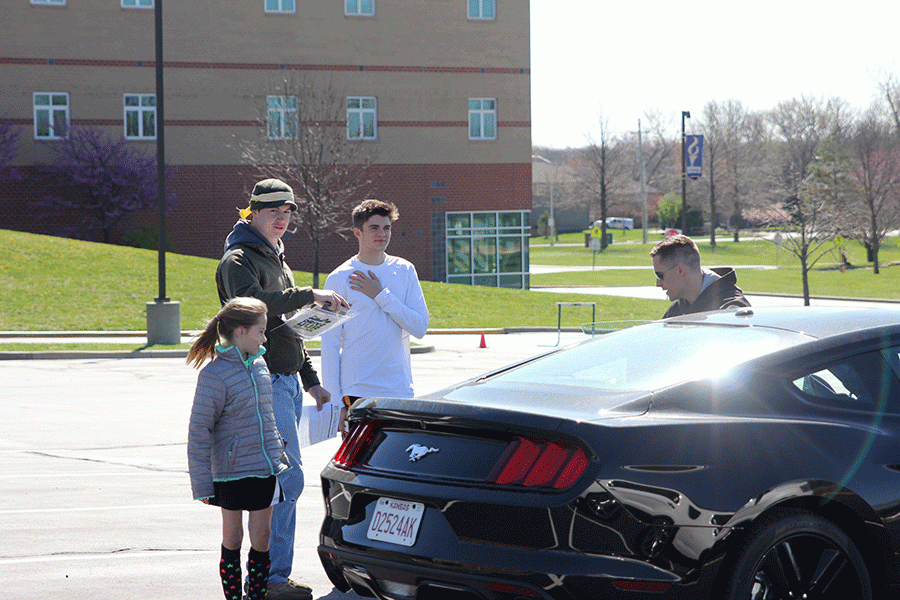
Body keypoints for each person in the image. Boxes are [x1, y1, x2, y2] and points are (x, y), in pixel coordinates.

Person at [216, 178, 348, 600]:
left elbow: (289, 329)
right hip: (263, 382)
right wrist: (310, 293)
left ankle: (271, 578)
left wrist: (310, 381)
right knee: (284, 480)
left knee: (280, 480)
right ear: (251, 212)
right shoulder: (238, 259)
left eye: (288, 212)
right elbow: (254, 304)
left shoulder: (277, 257)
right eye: (274, 211)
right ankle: (271, 580)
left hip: (287, 383)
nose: (282, 219)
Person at [187, 297, 290, 600]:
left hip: (264, 468)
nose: (264, 337)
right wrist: (202, 484)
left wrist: (277, 454)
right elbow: (198, 431)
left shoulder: (260, 365)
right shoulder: (213, 376)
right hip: (230, 473)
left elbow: (266, 417)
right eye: (260, 330)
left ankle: (255, 595)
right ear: (240, 332)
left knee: (263, 537)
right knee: (233, 537)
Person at [321, 199, 429, 434]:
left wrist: (381, 295)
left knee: (397, 466)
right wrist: (336, 403)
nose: (382, 234)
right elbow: (329, 344)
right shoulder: (339, 278)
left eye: (386, 228)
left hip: (399, 390)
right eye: (374, 228)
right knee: (356, 467)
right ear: (357, 232)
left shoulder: (404, 270)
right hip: (357, 390)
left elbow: (420, 327)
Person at [649, 234, 750, 318]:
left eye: (659, 275)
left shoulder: (733, 308)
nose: (658, 283)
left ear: (680, 270)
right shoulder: (675, 311)